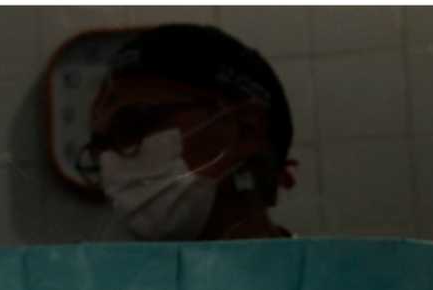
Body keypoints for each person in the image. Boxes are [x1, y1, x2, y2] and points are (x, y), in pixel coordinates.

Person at [79, 24, 297, 241]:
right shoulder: (101, 265)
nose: (110, 166)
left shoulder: (314, 263)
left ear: (245, 130)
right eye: (99, 148)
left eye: (132, 127)